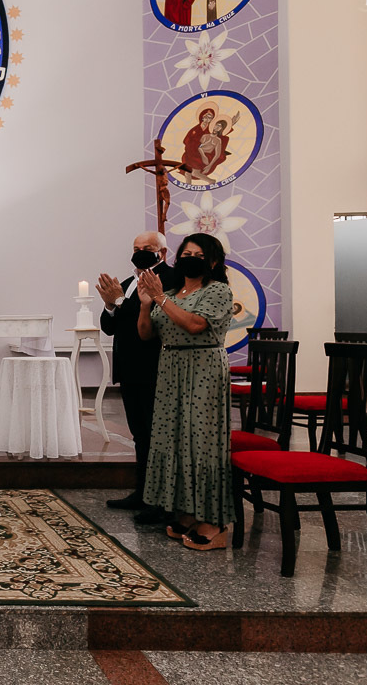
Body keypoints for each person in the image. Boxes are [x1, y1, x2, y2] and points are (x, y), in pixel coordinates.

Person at [136, 232, 235, 551]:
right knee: (176, 441)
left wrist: (160, 299)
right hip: (172, 370)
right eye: (186, 253)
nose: (190, 259)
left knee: (201, 442)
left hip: (203, 369)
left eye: (198, 254)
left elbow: (195, 325)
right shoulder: (173, 291)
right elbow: (146, 333)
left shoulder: (218, 290)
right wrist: (145, 304)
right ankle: (189, 512)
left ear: (214, 261)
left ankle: (215, 521)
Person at [97, 232, 176, 523]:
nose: (140, 253)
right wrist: (109, 304)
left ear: (163, 252)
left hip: (154, 367)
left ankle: (159, 500)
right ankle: (141, 492)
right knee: (140, 435)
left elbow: (153, 315)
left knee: (156, 436)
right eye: (136, 249)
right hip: (129, 369)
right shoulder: (128, 284)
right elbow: (110, 326)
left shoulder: (170, 278)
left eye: (147, 249)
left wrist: (119, 301)